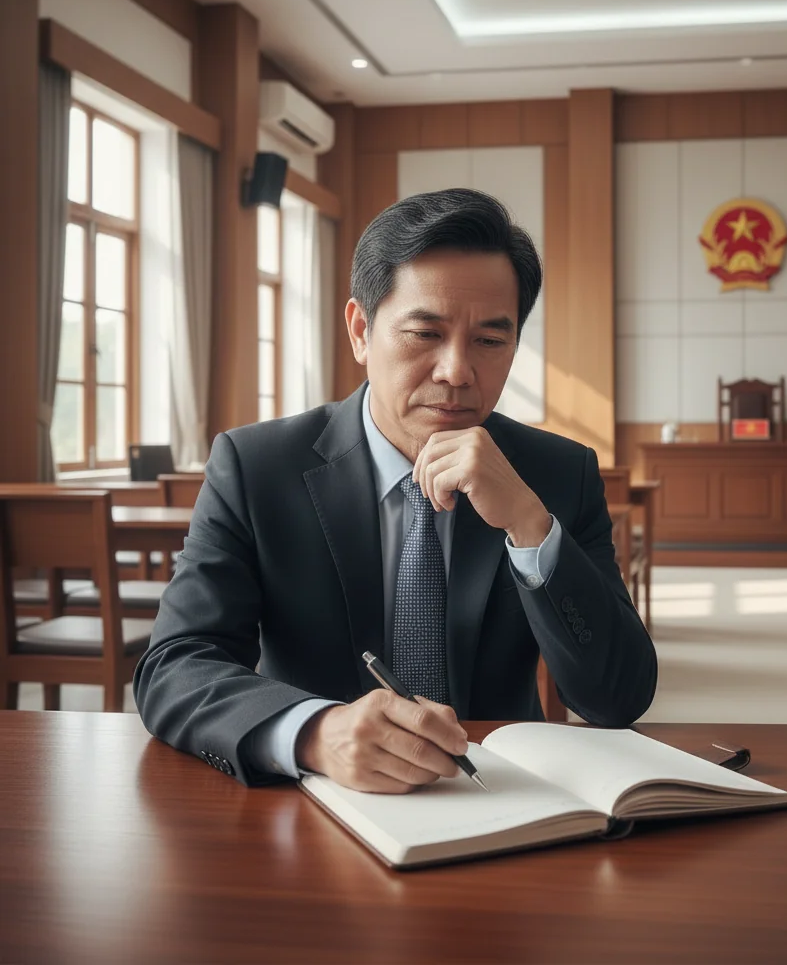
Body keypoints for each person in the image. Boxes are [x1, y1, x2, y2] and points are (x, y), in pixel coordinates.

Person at [134, 188, 658, 792]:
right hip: (314, 800)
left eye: (490, 341)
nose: (457, 371)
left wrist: (529, 527)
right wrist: (314, 732)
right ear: (361, 331)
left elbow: (617, 697)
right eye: (424, 333)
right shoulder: (256, 468)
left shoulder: (557, 473)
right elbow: (175, 666)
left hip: (504, 796)